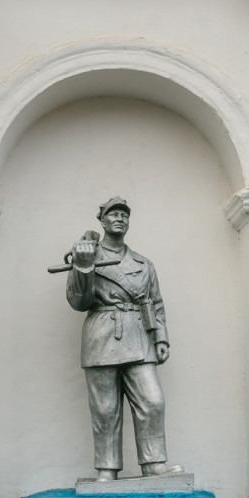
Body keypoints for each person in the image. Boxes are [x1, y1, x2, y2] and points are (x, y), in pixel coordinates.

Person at [66, 197, 183, 481]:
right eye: (114, 214)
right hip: (102, 333)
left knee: (152, 401)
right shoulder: (87, 253)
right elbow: (78, 302)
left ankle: (154, 464)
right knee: (105, 409)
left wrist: (161, 339)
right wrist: (83, 267)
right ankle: (106, 469)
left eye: (124, 215)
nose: (120, 219)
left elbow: (156, 304)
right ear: (102, 220)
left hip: (139, 334)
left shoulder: (143, 264)